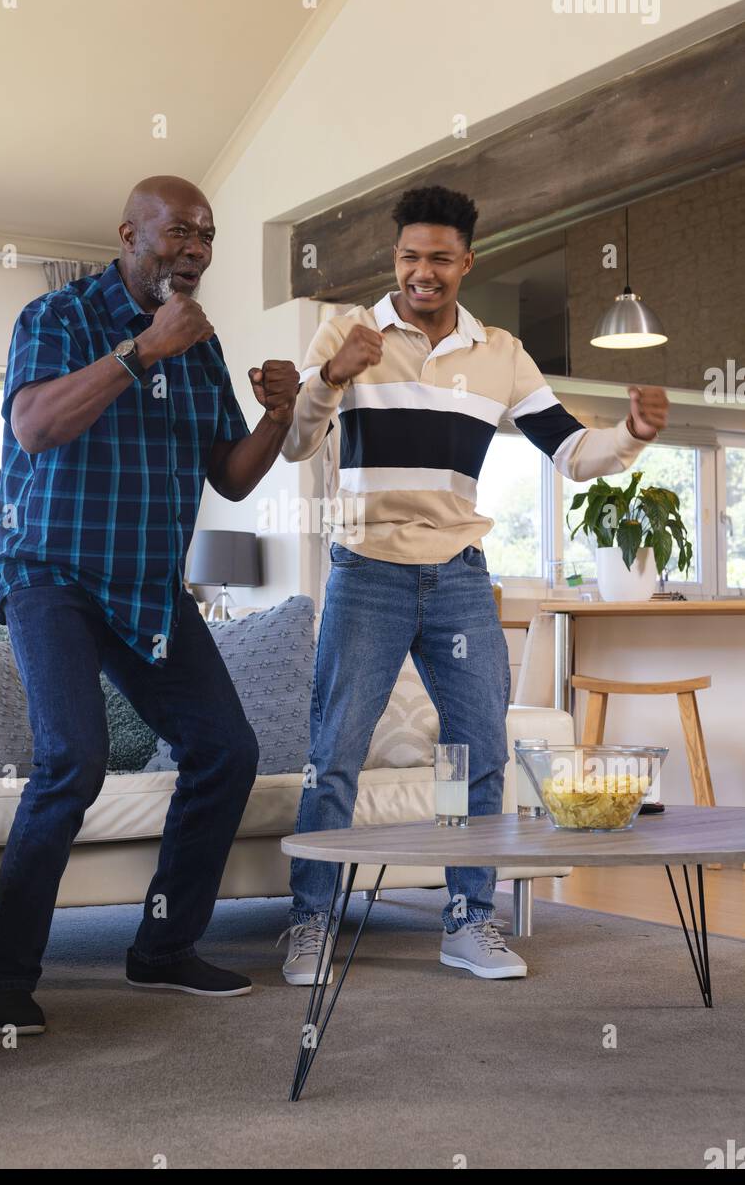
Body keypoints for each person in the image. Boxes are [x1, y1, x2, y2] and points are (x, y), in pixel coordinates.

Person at [280, 184, 669, 985]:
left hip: (457, 574)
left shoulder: (498, 352)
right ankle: (310, 921)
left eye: (438, 259)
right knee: (335, 756)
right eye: (408, 257)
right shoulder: (347, 332)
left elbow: (567, 450)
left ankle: (468, 920)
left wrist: (629, 435)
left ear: (465, 262)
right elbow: (294, 442)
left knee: (475, 756)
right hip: (366, 570)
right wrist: (328, 375)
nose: (422, 273)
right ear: (396, 259)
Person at [0, 175, 299, 1033]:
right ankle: (4, 975)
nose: (192, 250)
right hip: (49, 572)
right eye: (176, 234)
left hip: (148, 585)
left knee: (225, 749)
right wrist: (141, 351)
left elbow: (229, 477)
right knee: (72, 762)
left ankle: (161, 949)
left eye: (205, 238)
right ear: (128, 232)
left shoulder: (199, 343)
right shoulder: (60, 317)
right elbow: (36, 427)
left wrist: (277, 417)